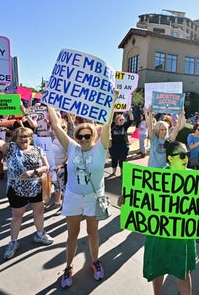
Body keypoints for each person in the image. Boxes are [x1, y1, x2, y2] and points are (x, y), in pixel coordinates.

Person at [119, 140, 199, 295]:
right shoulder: (155, 178)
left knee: (183, 273)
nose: (186, 159)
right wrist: (126, 201)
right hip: (159, 235)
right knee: (158, 270)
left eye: (187, 155)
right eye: (182, 155)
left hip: (181, 236)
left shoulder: (195, 180)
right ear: (170, 158)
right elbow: (142, 201)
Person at [47, 90, 117, 288]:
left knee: (93, 233)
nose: (84, 138)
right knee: (72, 234)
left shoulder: (100, 149)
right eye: (80, 135)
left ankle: (94, 261)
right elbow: (55, 125)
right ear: (76, 136)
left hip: (93, 198)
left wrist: (112, 101)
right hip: (73, 197)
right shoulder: (71, 147)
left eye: (88, 135)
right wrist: (49, 102)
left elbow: (108, 124)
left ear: (94, 136)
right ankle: (68, 266)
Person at [0, 117, 53, 260]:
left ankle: (40, 234)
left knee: (39, 211)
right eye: (20, 137)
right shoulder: (10, 148)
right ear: (15, 138)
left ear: (31, 138)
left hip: (35, 187)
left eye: (26, 137)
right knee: (17, 215)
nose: (23, 140)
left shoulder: (38, 149)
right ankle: (13, 242)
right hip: (16, 189)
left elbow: (46, 167)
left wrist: (33, 172)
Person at [45, 122, 68, 212]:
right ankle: (57, 202)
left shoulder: (65, 140)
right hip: (53, 166)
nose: (52, 131)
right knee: (56, 185)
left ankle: (65, 205)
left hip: (61, 166)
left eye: (54, 129)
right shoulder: (52, 138)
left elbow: (68, 154)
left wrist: (61, 164)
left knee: (63, 187)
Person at [109, 110, 133, 176]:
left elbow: (131, 120)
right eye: (120, 120)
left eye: (123, 120)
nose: (122, 121)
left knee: (122, 160)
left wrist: (130, 113)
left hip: (123, 146)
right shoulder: (112, 125)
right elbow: (109, 119)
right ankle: (113, 172)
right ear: (116, 120)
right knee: (114, 160)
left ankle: (122, 174)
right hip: (114, 146)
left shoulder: (125, 126)